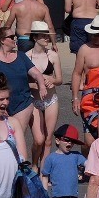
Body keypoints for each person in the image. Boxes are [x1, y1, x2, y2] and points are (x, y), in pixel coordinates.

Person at [0, 29, 46, 155]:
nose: (15, 39)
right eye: (11, 37)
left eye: (15, 36)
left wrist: (42, 85)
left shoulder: (21, 56)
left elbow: (36, 73)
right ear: (2, 40)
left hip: (23, 102)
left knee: (23, 139)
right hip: (2, 105)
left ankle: (28, 166)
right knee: (9, 141)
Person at [25, 22, 63, 167]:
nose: (46, 38)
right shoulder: (26, 57)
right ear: (35, 37)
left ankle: (44, 172)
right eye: (43, 36)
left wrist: (52, 80)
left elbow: (60, 79)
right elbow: (23, 82)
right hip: (34, 101)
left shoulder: (52, 56)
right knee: (38, 140)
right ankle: (35, 164)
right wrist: (37, 84)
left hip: (51, 100)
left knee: (48, 140)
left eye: (47, 35)